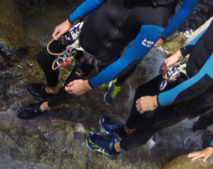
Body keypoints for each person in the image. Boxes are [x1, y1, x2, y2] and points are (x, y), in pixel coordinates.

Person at [17, 0, 178, 120]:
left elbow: (126, 61)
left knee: (70, 89)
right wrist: (70, 20)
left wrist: (88, 85)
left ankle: (44, 107)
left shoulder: (156, 19)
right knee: (44, 58)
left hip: (99, 54)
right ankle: (50, 88)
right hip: (85, 29)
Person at [86, 20, 213, 159]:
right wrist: (180, 53)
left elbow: (200, 83)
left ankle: (113, 149)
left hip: (198, 95)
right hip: (188, 70)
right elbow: (208, 33)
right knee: (143, 92)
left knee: (150, 124)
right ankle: (124, 131)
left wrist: (156, 101)